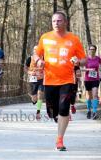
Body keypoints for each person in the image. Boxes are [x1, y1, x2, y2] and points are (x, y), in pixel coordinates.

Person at [33, 11, 86, 151]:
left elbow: (84, 59)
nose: (56, 23)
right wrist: (38, 61)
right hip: (50, 80)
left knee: (64, 108)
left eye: (59, 21)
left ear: (65, 22)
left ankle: (59, 140)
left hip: (67, 79)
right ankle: (57, 117)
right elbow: (36, 54)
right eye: (54, 21)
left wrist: (78, 61)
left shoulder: (73, 39)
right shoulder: (45, 37)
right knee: (52, 112)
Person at [25, 46, 44, 120]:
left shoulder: (43, 59)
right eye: (35, 50)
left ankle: (38, 112)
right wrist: (30, 72)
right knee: (34, 99)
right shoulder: (30, 58)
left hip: (42, 79)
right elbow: (26, 68)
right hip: (33, 79)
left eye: (38, 50)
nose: (36, 51)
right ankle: (34, 100)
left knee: (40, 94)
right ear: (33, 51)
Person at [83, 44, 101, 120]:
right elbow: (81, 69)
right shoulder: (85, 59)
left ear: (95, 50)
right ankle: (89, 110)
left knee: (95, 94)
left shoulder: (98, 58)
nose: (92, 50)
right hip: (87, 79)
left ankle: (94, 112)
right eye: (91, 49)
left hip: (96, 79)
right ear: (88, 50)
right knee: (89, 96)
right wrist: (89, 70)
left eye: (93, 49)